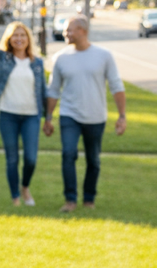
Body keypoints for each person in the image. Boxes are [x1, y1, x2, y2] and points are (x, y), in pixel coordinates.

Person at [43, 16, 127, 212]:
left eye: (69, 30)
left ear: (82, 31)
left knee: (93, 160)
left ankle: (89, 199)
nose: (66, 34)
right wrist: (48, 118)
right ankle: (70, 199)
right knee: (68, 154)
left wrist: (122, 116)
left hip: (96, 116)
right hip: (69, 115)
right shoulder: (61, 58)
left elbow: (116, 86)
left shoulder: (103, 56)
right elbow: (53, 90)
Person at [0, 0, 46, 206]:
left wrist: (49, 117)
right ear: (9, 39)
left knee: (31, 159)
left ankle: (25, 187)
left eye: (22, 35)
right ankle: (16, 197)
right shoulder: (3, 59)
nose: (19, 39)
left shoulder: (37, 63)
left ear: (28, 39)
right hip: (8, 115)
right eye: (15, 35)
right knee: (12, 158)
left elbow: (43, 90)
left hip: (31, 117)